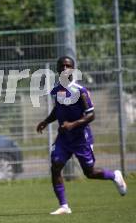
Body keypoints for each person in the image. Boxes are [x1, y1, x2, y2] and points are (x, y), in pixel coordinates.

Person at [36, 56, 127, 215]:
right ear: (58, 69)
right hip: (64, 138)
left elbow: (91, 115)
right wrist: (46, 121)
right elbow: (58, 110)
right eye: (62, 66)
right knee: (56, 166)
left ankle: (114, 175)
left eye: (68, 66)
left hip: (80, 138)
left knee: (90, 173)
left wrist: (72, 124)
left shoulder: (80, 90)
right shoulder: (56, 90)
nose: (65, 68)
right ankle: (64, 206)